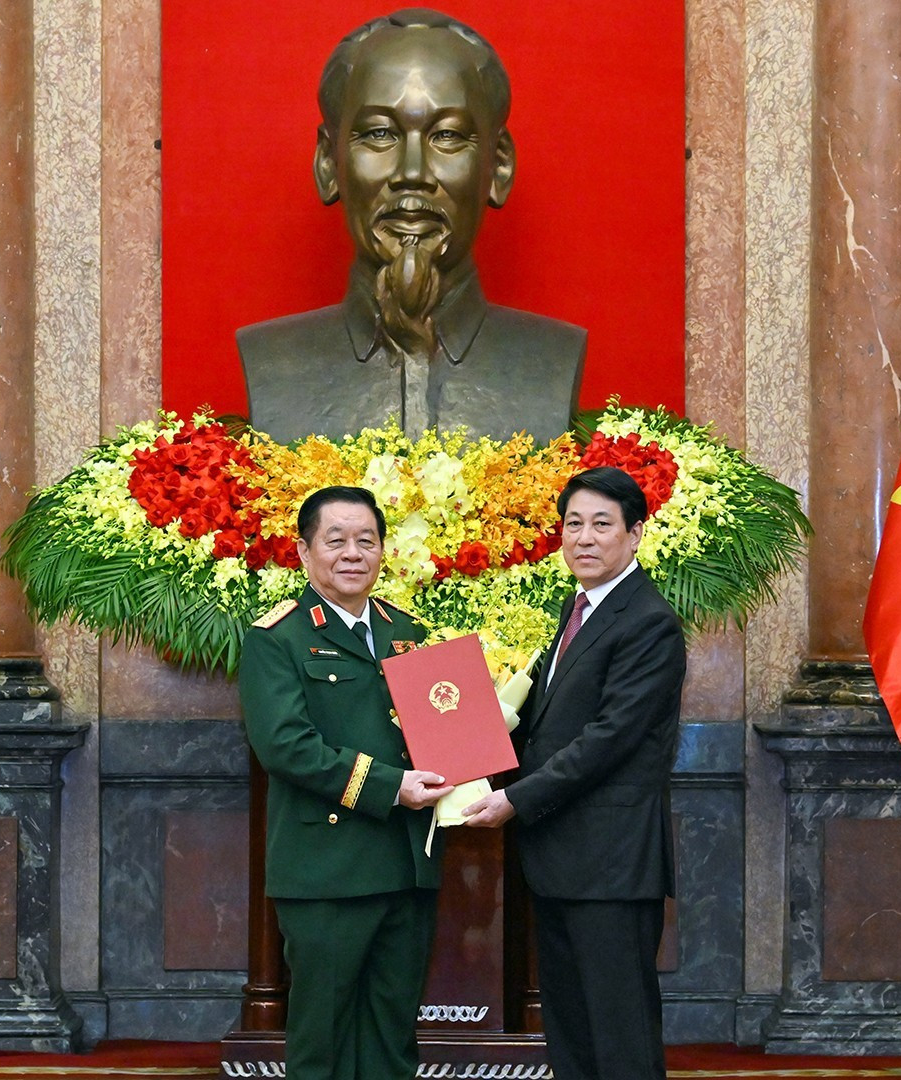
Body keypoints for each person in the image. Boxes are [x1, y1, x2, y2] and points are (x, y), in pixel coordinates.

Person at [238, 8, 585, 442]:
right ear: (329, 163)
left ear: (498, 167)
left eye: (448, 136)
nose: (413, 172)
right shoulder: (272, 361)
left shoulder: (554, 358)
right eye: (380, 134)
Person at [461, 466, 686, 1080]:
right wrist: (462, 746)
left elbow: (608, 739)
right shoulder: (579, 607)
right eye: (573, 524)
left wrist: (515, 800)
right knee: (571, 1028)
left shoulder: (648, 622)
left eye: (602, 524)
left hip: (611, 863)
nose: (583, 538)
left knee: (620, 1032)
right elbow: (540, 721)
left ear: (636, 534)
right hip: (561, 856)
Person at [238, 485, 454, 1080]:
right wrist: (393, 788)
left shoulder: (406, 631)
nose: (353, 553)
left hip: (406, 863)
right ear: (305, 553)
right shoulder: (275, 638)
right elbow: (286, 747)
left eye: (367, 540)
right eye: (336, 541)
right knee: (323, 1040)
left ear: (384, 550)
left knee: (392, 1037)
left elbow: (441, 729)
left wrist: (471, 763)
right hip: (325, 869)